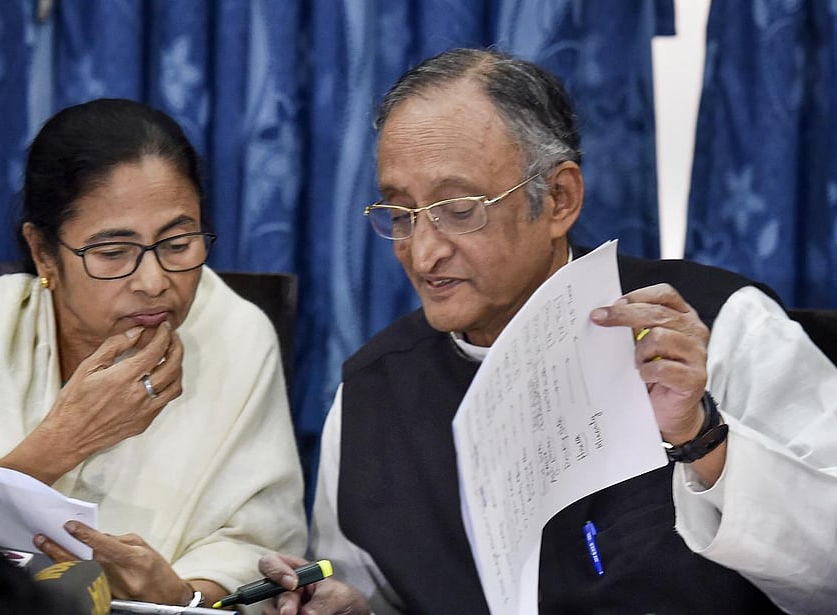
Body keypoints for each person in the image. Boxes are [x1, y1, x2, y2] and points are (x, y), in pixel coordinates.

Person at [257, 48, 837, 615]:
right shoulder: (371, 393)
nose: (423, 251)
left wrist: (702, 438)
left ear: (559, 199)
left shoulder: (715, 324)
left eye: (458, 210)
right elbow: (371, 592)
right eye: (402, 213)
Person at [0, 98, 307, 608]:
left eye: (178, 244)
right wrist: (62, 442)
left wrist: (183, 595)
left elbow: (258, 546)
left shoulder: (236, 336)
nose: (155, 283)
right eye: (114, 253)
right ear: (44, 253)